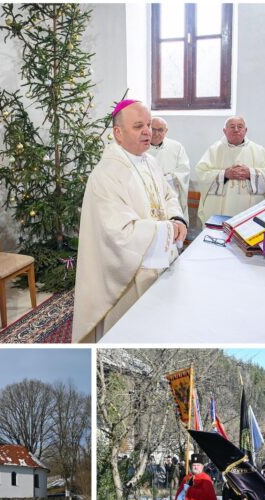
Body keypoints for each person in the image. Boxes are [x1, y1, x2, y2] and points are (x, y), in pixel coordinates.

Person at [73, 100, 188, 343]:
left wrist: (176, 218)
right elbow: (118, 233)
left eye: (148, 124)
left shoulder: (150, 162)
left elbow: (168, 196)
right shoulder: (106, 174)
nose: (148, 131)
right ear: (118, 133)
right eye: (138, 126)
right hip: (126, 280)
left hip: (160, 262)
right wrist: (168, 230)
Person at [195, 116, 265, 223]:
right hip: (219, 208)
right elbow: (201, 173)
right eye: (232, 127)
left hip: (249, 208)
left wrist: (251, 173)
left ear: (246, 130)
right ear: (224, 131)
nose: (236, 129)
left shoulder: (258, 150)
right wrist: (224, 174)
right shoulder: (214, 150)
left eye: (240, 126)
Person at [147, 117, 192, 221]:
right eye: (153, 129)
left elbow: (184, 171)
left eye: (160, 130)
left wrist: (167, 178)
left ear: (166, 131)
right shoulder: (140, 147)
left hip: (170, 198)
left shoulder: (176, 147)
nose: (156, 133)